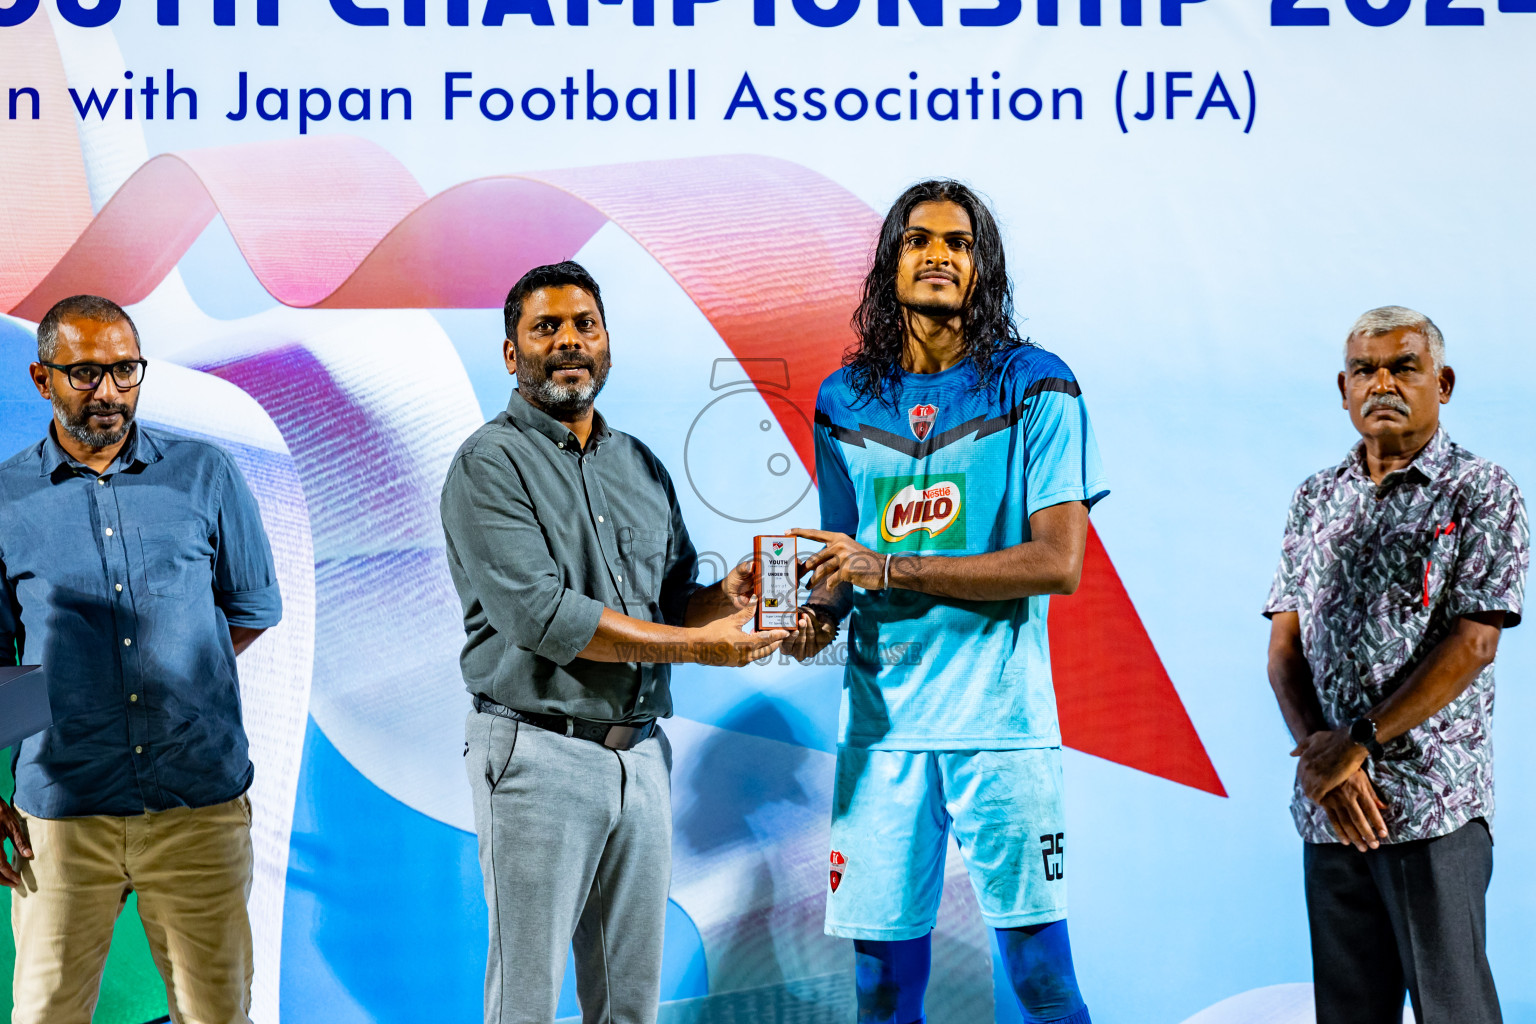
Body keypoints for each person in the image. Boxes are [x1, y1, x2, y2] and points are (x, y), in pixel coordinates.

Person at [787, 181, 1106, 1024]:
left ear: (981, 265)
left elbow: (1057, 562)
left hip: (1000, 725)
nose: (937, 254)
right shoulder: (842, 399)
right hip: (882, 732)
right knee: (881, 990)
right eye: (918, 239)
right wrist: (809, 617)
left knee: (1041, 980)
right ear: (890, 262)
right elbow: (840, 560)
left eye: (958, 242)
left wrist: (889, 569)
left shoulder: (1037, 384)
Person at [440, 261, 791, 1024]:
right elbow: (544, 617)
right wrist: (698, 649)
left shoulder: (639, 463)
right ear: (511, 353)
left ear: (606, 342)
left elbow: (672, 606)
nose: (569, 342)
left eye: (585, 325)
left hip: (641, 757)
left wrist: (724, 600)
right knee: (526, 1003)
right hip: (537, 752)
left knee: (631, 1005)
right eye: (546, 328)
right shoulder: (488, 463)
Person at [0, 294, 283, 1024]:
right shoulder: (4, 500)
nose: (109, 393)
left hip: (198, 804)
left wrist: (176, 675)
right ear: (42, 379)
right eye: (85, 373)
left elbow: (249, 608)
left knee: (216, 1015)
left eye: (125, 371)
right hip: (61, 819)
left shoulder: (203, 475)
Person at [1263, 306, 1527, 1024]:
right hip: (1331, 812)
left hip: (1431, 807)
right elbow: (1284, 645)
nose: (1382, 382)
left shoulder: (1481, 492)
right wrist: (1324, 759)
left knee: (1455, 1012)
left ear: (1441, 383)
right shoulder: (1315, 497)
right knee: (1349, 1014)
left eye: (1403, 367)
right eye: (1364, 369)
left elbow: (1474, 642)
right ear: (1342, 388)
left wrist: (1359, 743)